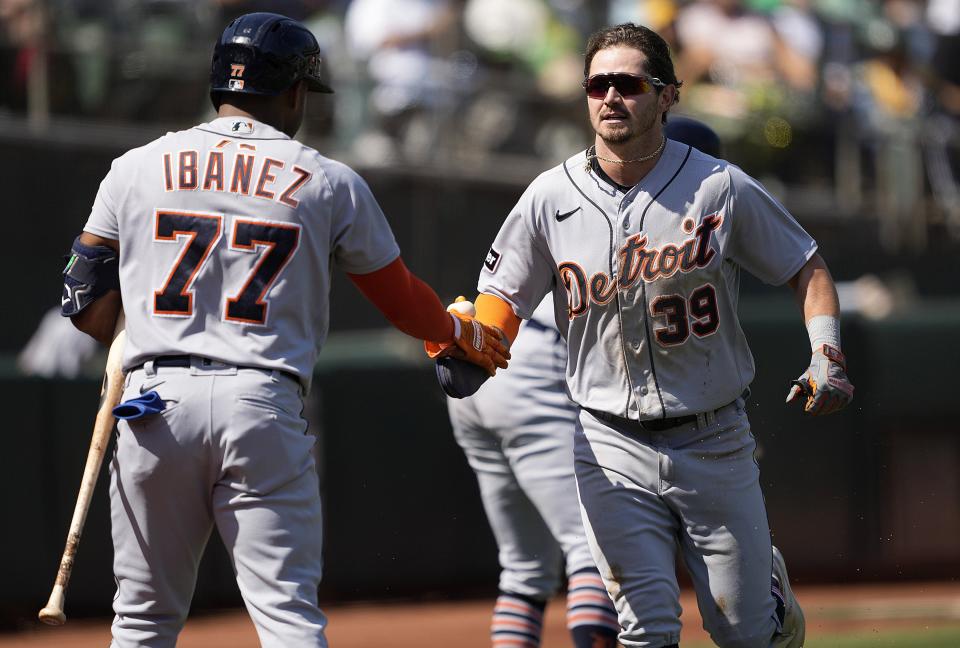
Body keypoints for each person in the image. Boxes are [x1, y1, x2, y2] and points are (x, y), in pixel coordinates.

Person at [58, 12, 507, 648]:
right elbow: (403, 301)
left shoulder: (135, 166)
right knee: (288, 621)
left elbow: (81, 297)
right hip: (260, 401)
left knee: (142, 624)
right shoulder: (327, 179)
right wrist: (452, 331)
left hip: (154, 402)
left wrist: (126, 331)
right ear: (294, 92)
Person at [443, 22, 854, 648]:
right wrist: (479, 341)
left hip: (713, 435)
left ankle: (768, 600)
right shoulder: (549, 195)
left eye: (629, 84)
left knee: (745, 634)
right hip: (607, 441)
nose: (610, 96)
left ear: (667, 96)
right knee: (645, 630)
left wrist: (826, 351)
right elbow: (503, 297)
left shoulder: (718, 185)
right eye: (597, 84)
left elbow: (806, 264)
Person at [443, 116, 722, 648]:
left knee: (523, 566)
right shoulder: (658, 233)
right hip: (531, 377)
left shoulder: (588, 202)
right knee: (593, 547)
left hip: (482, 371)